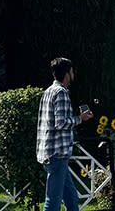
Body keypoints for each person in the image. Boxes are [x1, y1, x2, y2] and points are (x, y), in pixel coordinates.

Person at [36, 57, 93, 211]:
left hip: (49, 152)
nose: (73, 74)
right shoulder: (61, 93)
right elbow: (60, 123)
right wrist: (80, 118)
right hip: (57, 154)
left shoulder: (48, 92)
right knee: (52, 202)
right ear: (67, 74)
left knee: (71, 197)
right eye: (72, 71)